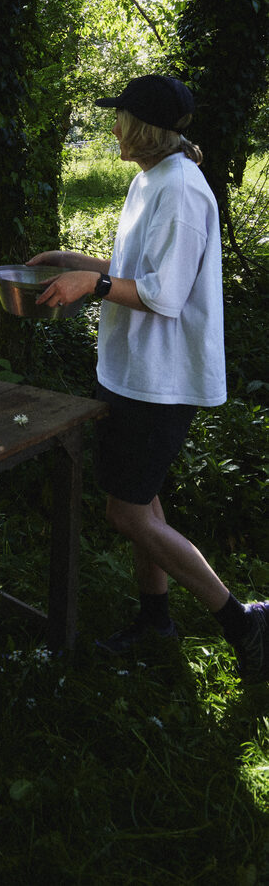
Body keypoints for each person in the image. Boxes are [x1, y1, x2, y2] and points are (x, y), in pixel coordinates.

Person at [28, 74, 268, 682]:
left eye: (120, 118)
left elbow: (165, 295)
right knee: (142, 500)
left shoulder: (184, 192)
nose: (112, 128)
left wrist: (95, 285)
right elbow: (139, 269)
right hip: (131, 371)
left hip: (163, 379)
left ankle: (241, 622)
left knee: (127, 513)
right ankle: (156, 619)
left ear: (144, 127)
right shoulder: (150, 181)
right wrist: (76, 263)